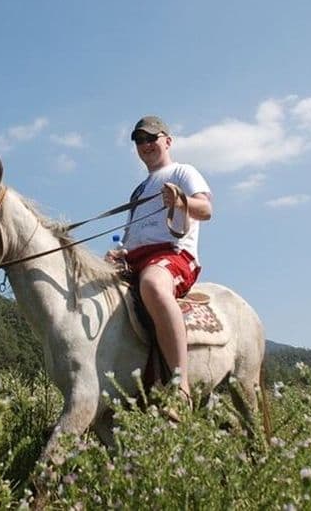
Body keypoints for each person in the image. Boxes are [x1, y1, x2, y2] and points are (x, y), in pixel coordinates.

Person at [107, 115, 212, 405]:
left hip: (173, 253)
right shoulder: (139, 190)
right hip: (135, 260)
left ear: (168, 140)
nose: (146, 144)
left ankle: (181, 386)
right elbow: (132, 235)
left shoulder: (182, 171)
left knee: (153, 284)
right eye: (140, 140)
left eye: (151, 138)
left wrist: (181, 201)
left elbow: (206, 209)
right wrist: (119, 253)